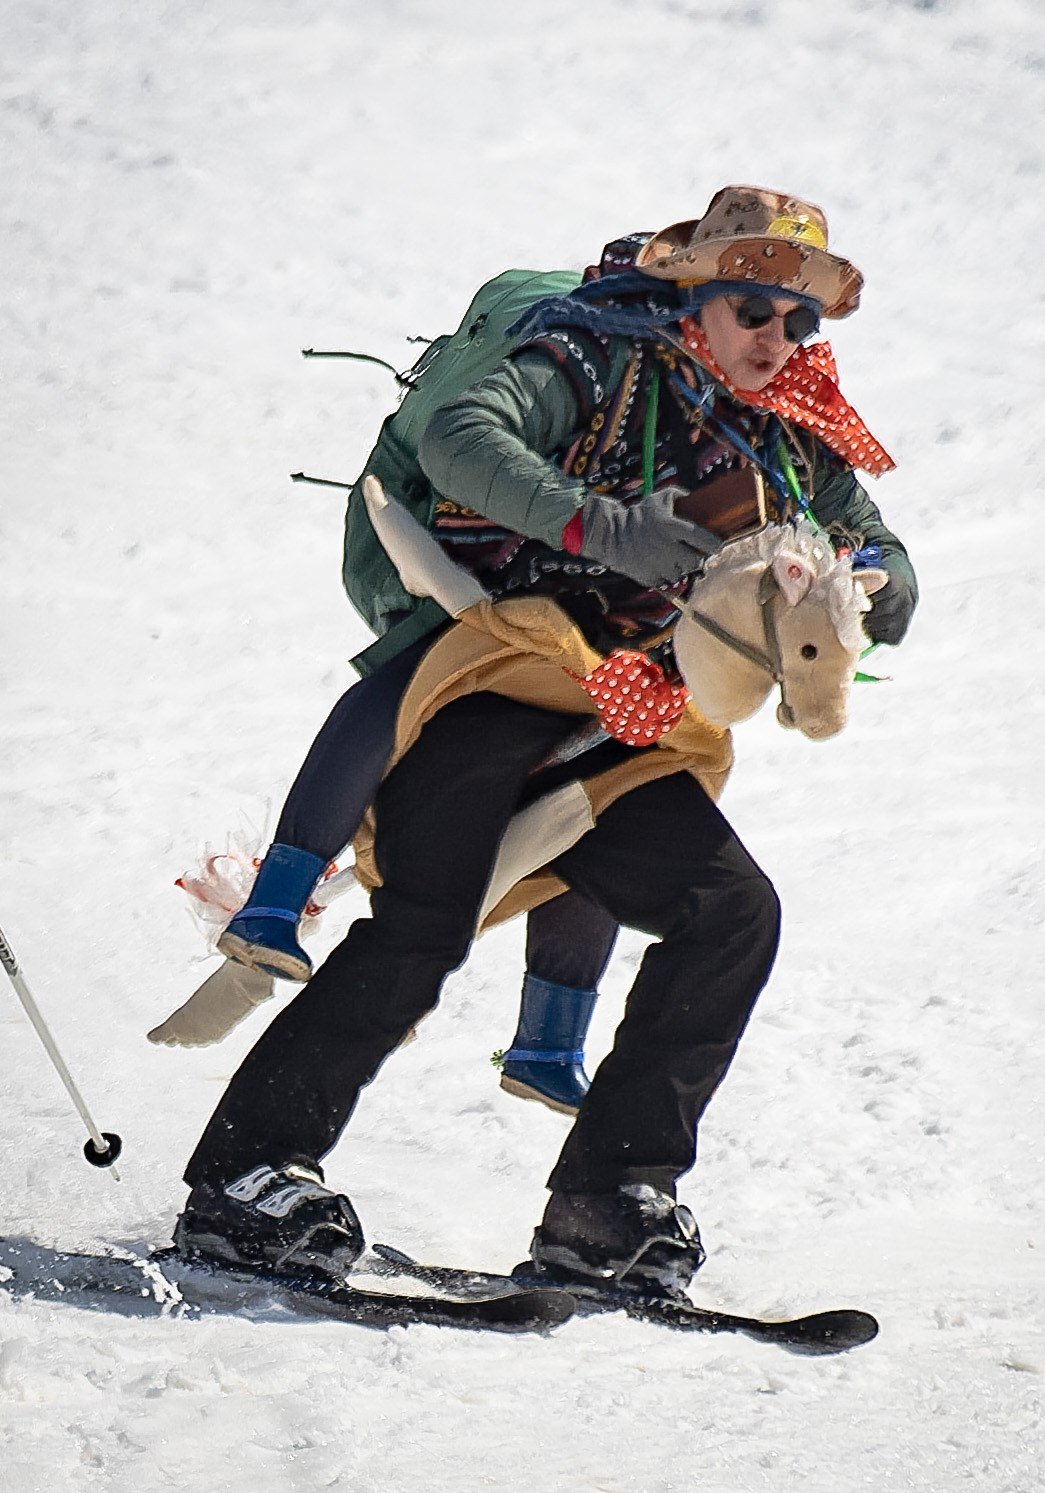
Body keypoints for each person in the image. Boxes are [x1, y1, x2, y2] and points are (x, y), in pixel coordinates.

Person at [173, 186, 918, 1296]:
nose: (778, 338)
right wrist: (598, 522)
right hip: (482, 686)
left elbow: (886, 554)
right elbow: (460, 434)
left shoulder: (787, 431)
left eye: (797, 319)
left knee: (730, 913)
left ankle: (607, 1203)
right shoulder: (590, 359)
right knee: (423, 927)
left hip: (623, 729)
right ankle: (243, 1180)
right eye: (754, 308)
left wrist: (874, 588)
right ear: (695, 295)